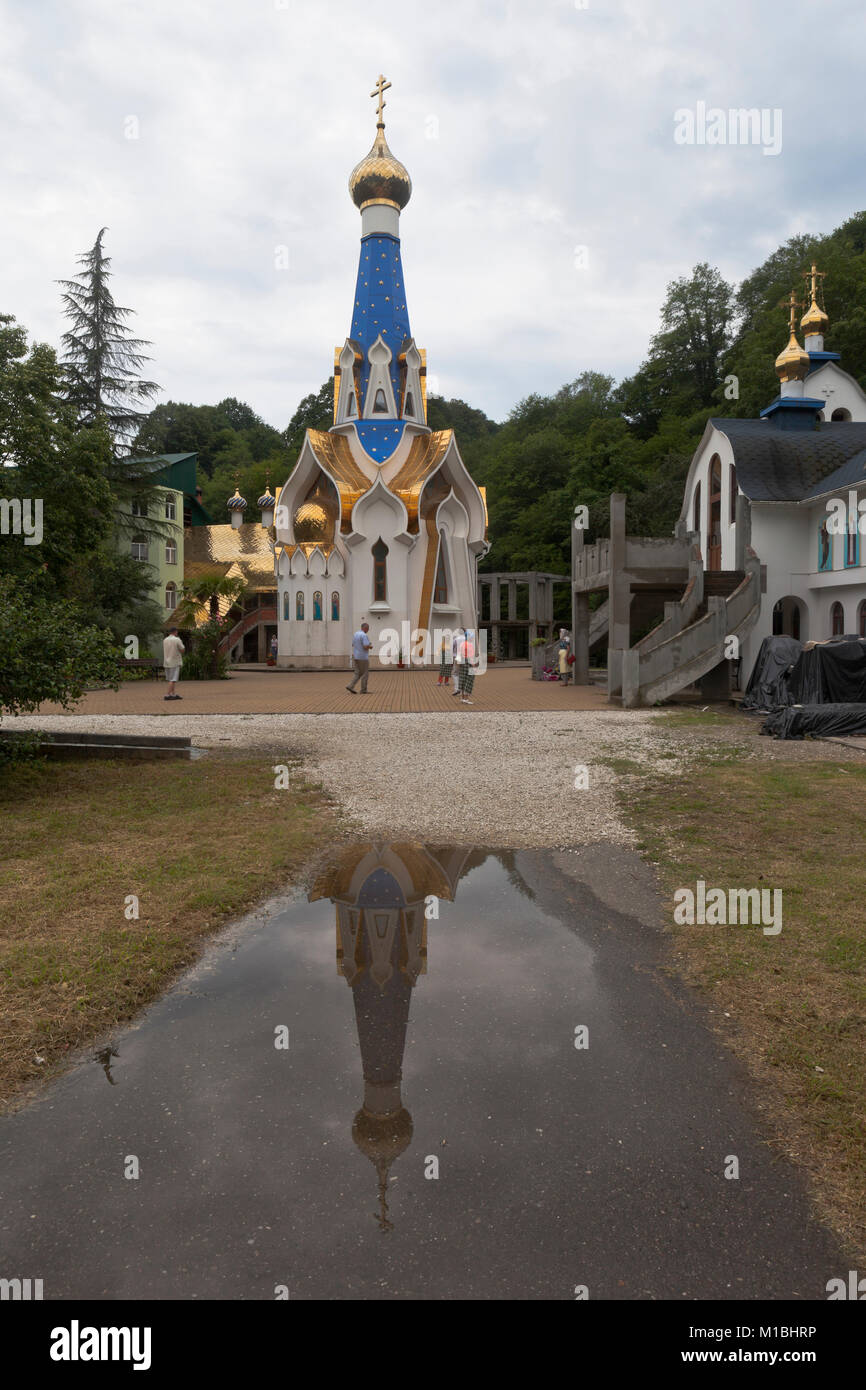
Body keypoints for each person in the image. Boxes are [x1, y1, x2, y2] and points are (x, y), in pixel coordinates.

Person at [347, 621, 373, 694]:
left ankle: (350, 685)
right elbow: (365, 646)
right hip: (363, 657)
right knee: (365, 673)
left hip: (356, 656)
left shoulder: (356, 634)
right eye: (368, 629)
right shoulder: (364, 635)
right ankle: (363, 690)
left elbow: (353, 644)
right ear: (365, 628)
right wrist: (370, 646)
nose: (368, 630)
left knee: (357, 673)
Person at [162, 627, 185, 701]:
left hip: (166, 662)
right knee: (173, 679)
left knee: (170, 679)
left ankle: (173, 694)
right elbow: (182, 649)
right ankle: (167, 694)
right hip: (174, 662)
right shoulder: (177, 639)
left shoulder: (165, 640)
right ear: (175, 632)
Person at [458, 628, 477, 704]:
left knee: (463, 679)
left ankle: (462, 698)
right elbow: (471, 657)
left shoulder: (462, 644)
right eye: (472, 637)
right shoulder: (470, 645)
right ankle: (466, 698)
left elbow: (459, 654)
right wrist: (474, 666)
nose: (472, 638)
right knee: (469, 680)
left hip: (462, 662)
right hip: (468, 663)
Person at [451, 627, 464, 696]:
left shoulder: (455, 639)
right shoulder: (466, 639)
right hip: (465, 657)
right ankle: (463, 690)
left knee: (455, 673)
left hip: (457, 657)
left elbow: (452, 648)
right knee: (463, 673)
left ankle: (457, 689)